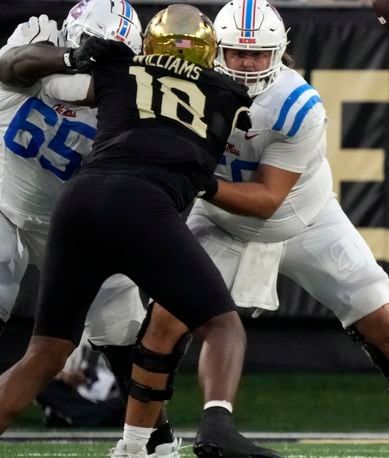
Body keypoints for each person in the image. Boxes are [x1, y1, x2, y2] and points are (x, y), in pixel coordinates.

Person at [149, 1, 389, 457]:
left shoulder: (294, 102)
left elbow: (267, 200)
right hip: (220, 220)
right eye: (238, 53)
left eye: (259, 54)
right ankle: (141, 443)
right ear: (216, 51)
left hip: (303, 218)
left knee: (385, 323)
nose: (247, 64)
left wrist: (189, 178)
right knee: (160, 326)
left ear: (278, 53)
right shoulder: (183, 87)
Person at [0, 4, 280, 458]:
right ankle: (217, 425)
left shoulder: (114, 71)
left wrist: (63, 58)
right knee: (222, 324)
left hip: (76, 205)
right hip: (111, 205)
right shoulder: (229, 94)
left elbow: (33, 72)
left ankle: (145, 441)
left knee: (49, 352)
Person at [0, 2, 178, 455]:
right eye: (95, 53)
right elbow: (11, 65)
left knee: (123, 332)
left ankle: (155, 441)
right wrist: (69, 59)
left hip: (77, 224)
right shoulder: (39, 38)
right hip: (5, 198)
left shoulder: (133, 94)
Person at [35, 336, 125, 428]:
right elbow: (55, 371)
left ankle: (79, 418)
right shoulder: (78, 335)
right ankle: (101, 417)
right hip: (80, 397)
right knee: (42, 386)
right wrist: (66, 377)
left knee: (130, 397)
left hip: (114, 399)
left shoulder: (127, 335)